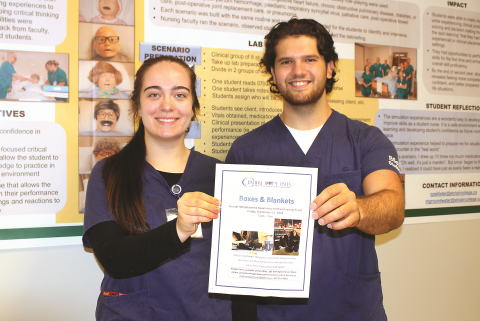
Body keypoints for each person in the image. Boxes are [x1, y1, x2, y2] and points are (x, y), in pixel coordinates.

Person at [226, 18, 404, 320]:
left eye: (310, 59)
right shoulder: (245, 151)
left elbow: (393, 206)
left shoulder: (367, 140)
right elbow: (240, 245)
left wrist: (358, 209)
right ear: (272, 72)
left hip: (352, 308)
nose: (298, 71)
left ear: (330, 67)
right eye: (286, 62)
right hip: (275, 312)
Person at [83, 56, 232, 320]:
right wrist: (179, 229)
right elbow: (113, 258)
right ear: (137, 105)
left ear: (193, 106)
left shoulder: (221, 175)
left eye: (179, 94)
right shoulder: (108, 173)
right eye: (154, 94)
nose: (167, 105)